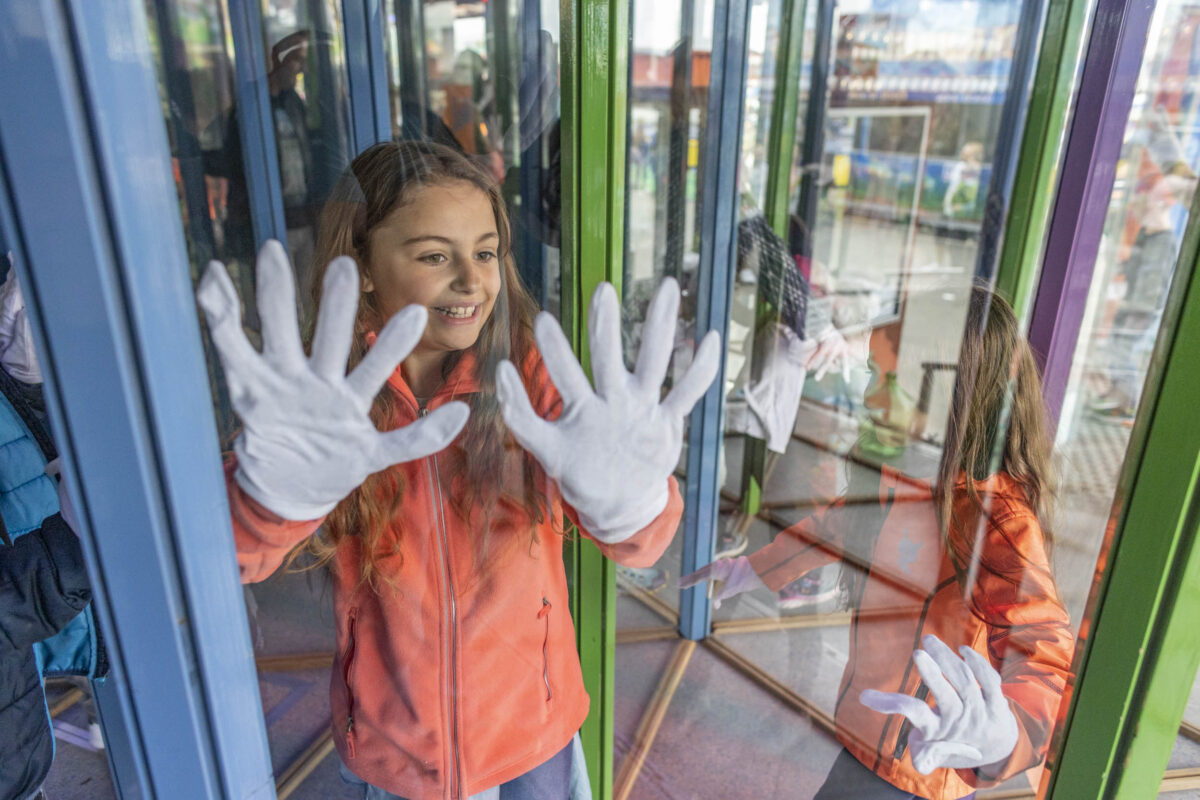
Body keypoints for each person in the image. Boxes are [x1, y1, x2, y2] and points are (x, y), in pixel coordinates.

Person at [195, 140, 720, 800]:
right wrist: (268, 500)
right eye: (435, 256)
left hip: (534, 730)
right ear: (362, 266)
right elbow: (225, 559)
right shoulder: (323, 404)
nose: (472, 280)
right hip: (401, 750)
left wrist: (633, 502)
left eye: (486, 252)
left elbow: (641, 544)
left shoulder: (527, 376)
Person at [682, 286, 1074, 799]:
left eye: (890, 382)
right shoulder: (905, 471)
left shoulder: (994, 519)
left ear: (952, 394)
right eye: (871, 374)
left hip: (921, 766)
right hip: (866, 732)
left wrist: (1009, 738)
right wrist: (755, 568)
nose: (869, 398)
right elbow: (835, 527)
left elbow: (1043, 645)